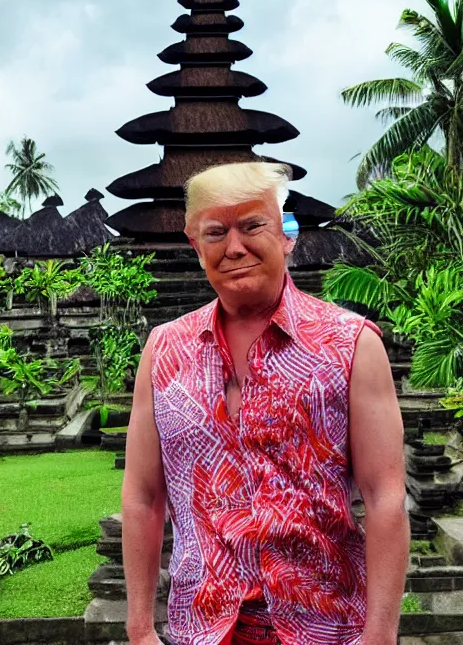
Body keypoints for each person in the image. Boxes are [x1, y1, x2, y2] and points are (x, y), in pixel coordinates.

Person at [122, 162, 409, 645]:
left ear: (286, 231)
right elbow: (143, 497)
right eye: (216, 232)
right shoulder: (164, 350)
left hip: (328, 626)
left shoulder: (350, 345)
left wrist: (380, 635)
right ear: (196, 246)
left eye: (253, 225)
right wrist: (139, 629)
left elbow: (385, 497)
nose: (234, 247)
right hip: (203, 628)